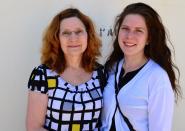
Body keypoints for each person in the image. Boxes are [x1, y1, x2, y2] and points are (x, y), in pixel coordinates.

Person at [101, 2, 181, 131]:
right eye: (125, 28)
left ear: (148, 38)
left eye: (139, 30)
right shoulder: (112, 68)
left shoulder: (157, 78)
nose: (129, 36)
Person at [26, 8, 105, 131]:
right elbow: (34, 127)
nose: (73, 38)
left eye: (79, 31)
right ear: (57, 39)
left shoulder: (100, 73)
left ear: (88, 36)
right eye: (66, 33)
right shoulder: (42, 75)